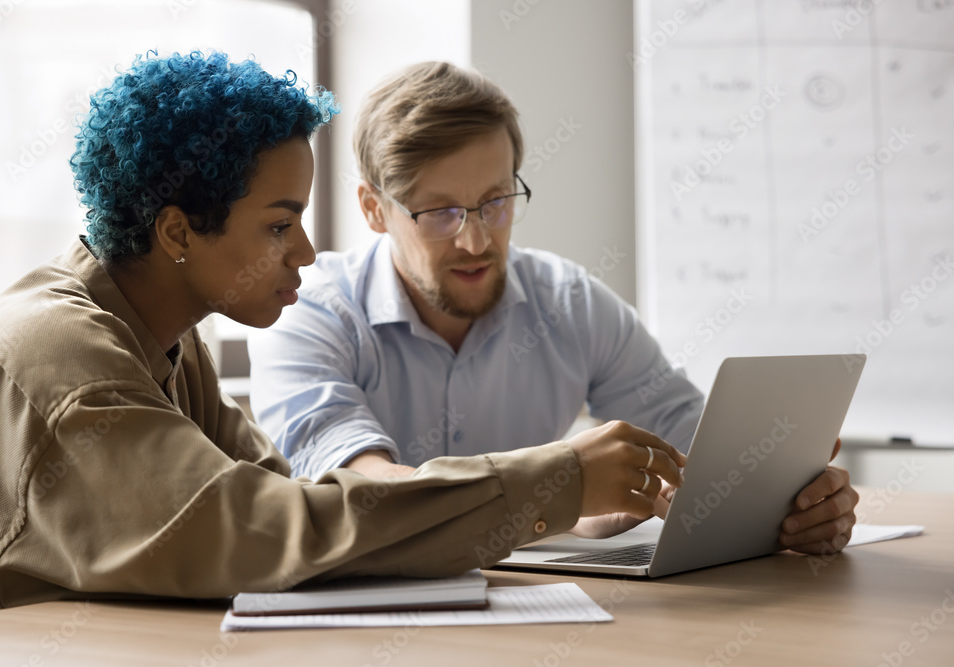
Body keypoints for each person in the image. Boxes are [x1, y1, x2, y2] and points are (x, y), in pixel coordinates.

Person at [0, 51, 688, 616]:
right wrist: (557, 481)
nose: (306, 252)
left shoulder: (166, 343)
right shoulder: (68, 356)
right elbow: (269, 532)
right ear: (177, 230)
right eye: (279, 225)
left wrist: (571, 505)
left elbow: (297, 503)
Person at [248, 61, 858, 553]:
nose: (476, 240)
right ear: (374, 209)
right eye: (440, 213)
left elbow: (701, 456)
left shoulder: (569, 302)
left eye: (495, 201)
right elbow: (366, 491)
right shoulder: (310, 311)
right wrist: (563, 497)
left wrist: (792, 500)